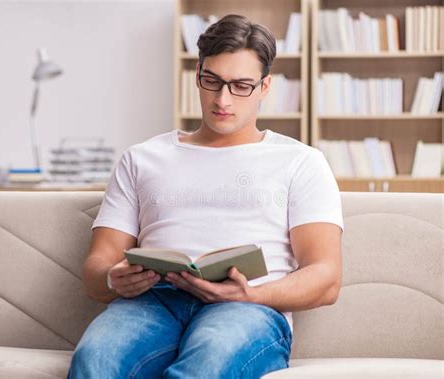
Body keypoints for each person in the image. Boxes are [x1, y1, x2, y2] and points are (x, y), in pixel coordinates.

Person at [68, 14, 343, 379]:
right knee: (95, 362)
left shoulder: (301, 162)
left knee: (206, 367)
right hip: (154, 301)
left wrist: (251, 296)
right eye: (211, 81)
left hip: (247, 307)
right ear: (197, 75)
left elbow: (326, 278)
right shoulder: (141, 159)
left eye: (241, 85)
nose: (222, 99)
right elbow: (96, 268)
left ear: (264, 87)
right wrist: (112, 279)